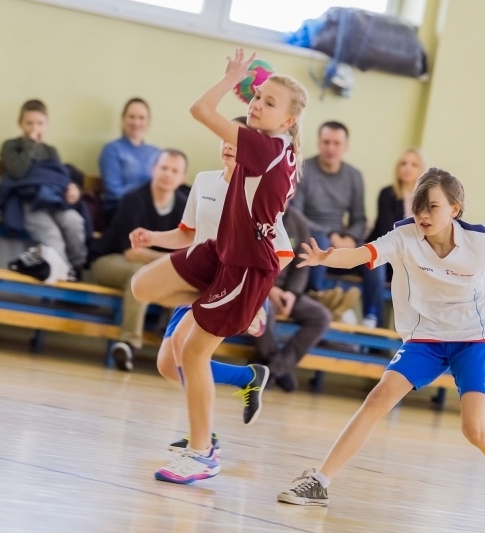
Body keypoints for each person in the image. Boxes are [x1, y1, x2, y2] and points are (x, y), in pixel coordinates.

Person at [276, 168, 485, 533]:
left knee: (474, 430)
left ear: (455, 209)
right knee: (376, 400)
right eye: (419, 206)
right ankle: (320, 480)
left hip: (473, 339)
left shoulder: (479, 241)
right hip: (424, 339)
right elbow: (360, 255)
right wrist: (326, 258)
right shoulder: (404, 235)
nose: (424, 214)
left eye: (432, 206)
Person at [130, 48, 308, 483]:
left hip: (246, 267)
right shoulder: (262, 150)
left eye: (269, 102)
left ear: (287, 121)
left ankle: (201, 452)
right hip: (220, 252)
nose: (256, 104)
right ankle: (230, 313)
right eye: (257, 96)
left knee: (188, 354)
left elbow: (199, 110)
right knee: (142, 286)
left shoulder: (265, 147)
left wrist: (231, 78)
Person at [130, 117, 292, 451]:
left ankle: (202, 441)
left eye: (238, 141)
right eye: (226, 139)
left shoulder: (255, 193)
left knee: (186, 353)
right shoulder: (203, 182)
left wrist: (255, 296)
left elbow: (283, 253)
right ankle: (247, 378)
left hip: (227, 287)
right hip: (196, 278)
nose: (231, 145)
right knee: (168, 366)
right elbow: (187, 234)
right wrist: (154, 238)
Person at [90, 149, 190, 371]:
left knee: (189, 284)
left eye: (175, 171)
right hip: (109, 261)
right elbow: (131, 252)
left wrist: (172, 264)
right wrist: (170, 262)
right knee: (140, 275)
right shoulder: (134, 199)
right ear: (153, 169)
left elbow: (186, 251)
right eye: (164, 168)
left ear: (183, 178)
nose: (168, 174)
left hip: (155, 269)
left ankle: (176, 350)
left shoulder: (184, 207)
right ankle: (128, 343)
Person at [290, 121, 386, 327]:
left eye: (336, 143)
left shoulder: (354, 176)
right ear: (318, 143)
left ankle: (371, 317)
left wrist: (350, 238)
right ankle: (317, 298)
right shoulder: (303, 169)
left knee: (373, 256)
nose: (331, 148)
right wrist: (332, 234)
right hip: (314, 237)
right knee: (321, 240)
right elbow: (295, 214)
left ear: (345, 146)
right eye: (326, 142)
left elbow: (359, 218)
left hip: (343, 243)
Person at [0, 99, 87, 279]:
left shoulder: (51, 151)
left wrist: (72, 188)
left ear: (46, 125)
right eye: (29, 123)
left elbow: (58, 176)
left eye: (39, 123)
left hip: (54, 200)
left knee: (74, 221)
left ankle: (78, 267)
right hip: (29, 201)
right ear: (20, 124)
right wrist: (30, 145)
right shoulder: (10, 146)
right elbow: (17, 172)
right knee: (52, 234)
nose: (34, 128)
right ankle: (66, 274)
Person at [251, 202, 332, 392]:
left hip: (288, 291)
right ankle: (280, 371)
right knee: (262, 313)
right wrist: (270, 290)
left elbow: (301, 265)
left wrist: (292, 294)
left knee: (321, 317)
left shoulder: (299, 222)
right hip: (256, 289)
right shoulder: (252, 217)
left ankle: (271, 370)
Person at [367, 148, 427, 281]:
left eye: (414, 164)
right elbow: (387, 231)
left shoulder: (428, 200)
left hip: (414, 256)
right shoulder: (387, 193)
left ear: (422, 170)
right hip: (386, 251)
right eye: (403, 163)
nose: (407, 168)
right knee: (376, 268)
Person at [99, 98, 160, 221]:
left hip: (154, 209)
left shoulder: (156, 153)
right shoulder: (112, 150)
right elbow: (113, 192)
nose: (136, 122)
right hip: (122, 210)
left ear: (148, 122)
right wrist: (146, 196)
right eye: (131, 117)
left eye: (141, 118)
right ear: (123, 119)